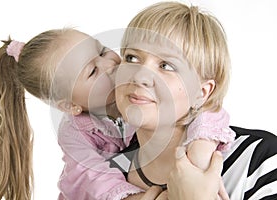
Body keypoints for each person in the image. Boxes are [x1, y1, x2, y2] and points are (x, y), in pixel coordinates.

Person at [109, 1, 277, 199]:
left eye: (166, 65)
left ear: (202, 93)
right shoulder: (103, 175)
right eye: (132, 58)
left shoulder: (258, 159)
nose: (139, 76)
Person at [0, 27, 147, 200]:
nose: (110, 64)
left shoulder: (136, 90)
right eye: (92, 71)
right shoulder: (74, 134)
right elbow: (92, 176)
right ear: (71, 105)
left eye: (103, 51)